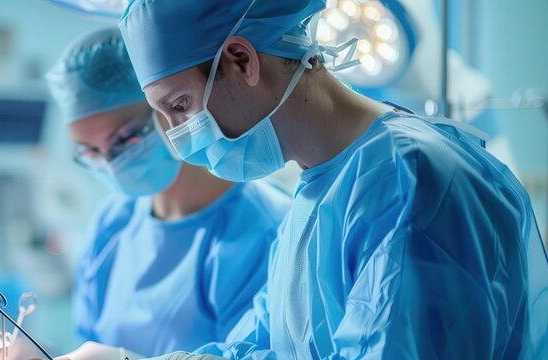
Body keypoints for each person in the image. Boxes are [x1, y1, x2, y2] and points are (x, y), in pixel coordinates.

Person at [115, 0, 548, 358]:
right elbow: (265, 349)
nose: (178, 136)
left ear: (241, 60)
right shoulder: (320, 189)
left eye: (180, 105)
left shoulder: (408, 183)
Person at [0, 27, 290, 359]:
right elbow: (91, 344)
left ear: (168, 108)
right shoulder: (112, 223)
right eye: (91, 152)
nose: (112, 164)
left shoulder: (265, 231)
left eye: (125, 139)